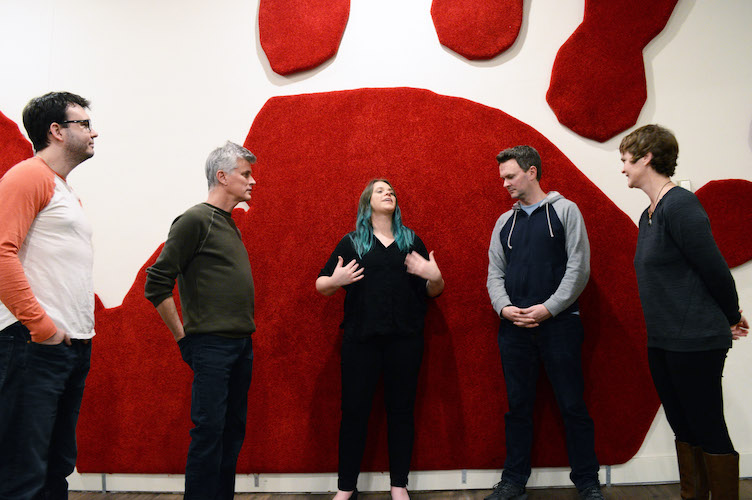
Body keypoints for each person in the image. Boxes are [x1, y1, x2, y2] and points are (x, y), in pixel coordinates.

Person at [619, 124, 748, 500]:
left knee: (707, 425)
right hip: (663, 338)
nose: (623, 168)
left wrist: (729, 315)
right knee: (684, 427)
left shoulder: (681, 205)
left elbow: (714, 268)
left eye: (626, 160)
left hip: (695, 339)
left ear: (646, 158)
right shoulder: (649, 215)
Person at [486, 146, 604, 500]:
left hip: (561, 326)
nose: (504, 183)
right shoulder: (504, 222)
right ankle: (513, 481)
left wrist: (549, 308)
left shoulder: (566, 211)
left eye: (510, 175)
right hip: (514, 330)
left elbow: (579, 267)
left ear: (532, 171)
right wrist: (505, 309)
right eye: (503, 177)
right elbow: (495, 273)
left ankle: (587, 482)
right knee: (517, 408)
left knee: (572, 405)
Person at [316, 179, 444, 500]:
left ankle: (398, 486)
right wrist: (337, 279)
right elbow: (321, 284)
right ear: (367, 202)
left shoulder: (410, 241)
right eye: (381, 191)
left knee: (401, 411)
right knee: (354, 413)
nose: (389, 194)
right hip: (361, 342)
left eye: (391, 191)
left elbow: (433, 291)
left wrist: (435, 277)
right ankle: (346, 488)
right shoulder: (353, 242)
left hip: (405, 341)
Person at [144, 141, 258, 500]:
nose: (252, 181)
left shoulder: (227, 223)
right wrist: (183, 339)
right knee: (209, 433)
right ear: (222, 177)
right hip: (211, 346)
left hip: (240, 345)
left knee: (231, 433)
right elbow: (156, 283)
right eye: (246, 173)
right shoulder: (194, 220)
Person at [0, 92, 98, 499]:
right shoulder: (29, 176)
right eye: (84, 124)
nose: (95, 132)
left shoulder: (62, 189)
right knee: (23, 471)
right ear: (56, 131)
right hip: (33, 344)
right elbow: (1, 253)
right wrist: (41, 327)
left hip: (69, 345)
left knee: (55, 465)